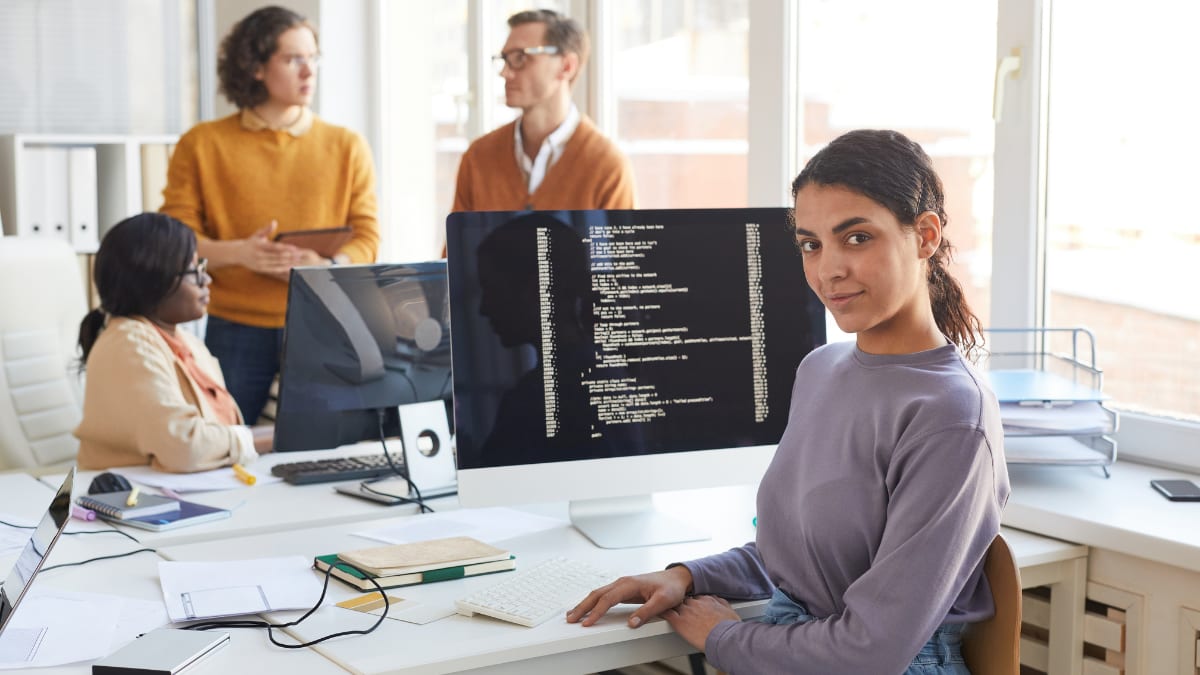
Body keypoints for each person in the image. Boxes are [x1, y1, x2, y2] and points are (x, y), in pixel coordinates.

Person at [567, 129, 1011, 674]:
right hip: (794, 650)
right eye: (811, 244)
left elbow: (870, 651)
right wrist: (686, 576)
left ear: (924, 235)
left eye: (857, 238)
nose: (829, 270)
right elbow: (802, 560)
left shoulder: (952, 415)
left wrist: (725, 638)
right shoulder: (819, 370)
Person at [161, 5, 379, 424]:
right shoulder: (202, 144)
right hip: (235, 325)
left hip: (323, 322)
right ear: (256, 66)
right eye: (293, 58)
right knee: (224, 448)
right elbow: (175, 238)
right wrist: (241, 253)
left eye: (313, 58)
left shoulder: (346, 145)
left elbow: (367, 236)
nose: (308, 71)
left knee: (325, 449)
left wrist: (326, 265)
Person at [74, 213, 273, 473]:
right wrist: (278, 436)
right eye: (194, 271)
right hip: (142, 503)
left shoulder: (187, 343)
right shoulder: (129, 343)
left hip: (202, 491)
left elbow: (222, 434)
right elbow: (185, 447)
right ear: (154, 279)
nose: (206, 280)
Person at [450, 9, 636, 216]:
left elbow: (622, 248)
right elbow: (455, 248)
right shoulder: (478, 158)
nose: (505, 72)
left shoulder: (607, 166)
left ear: (566, 66)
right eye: (504, 59)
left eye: (520, 58)